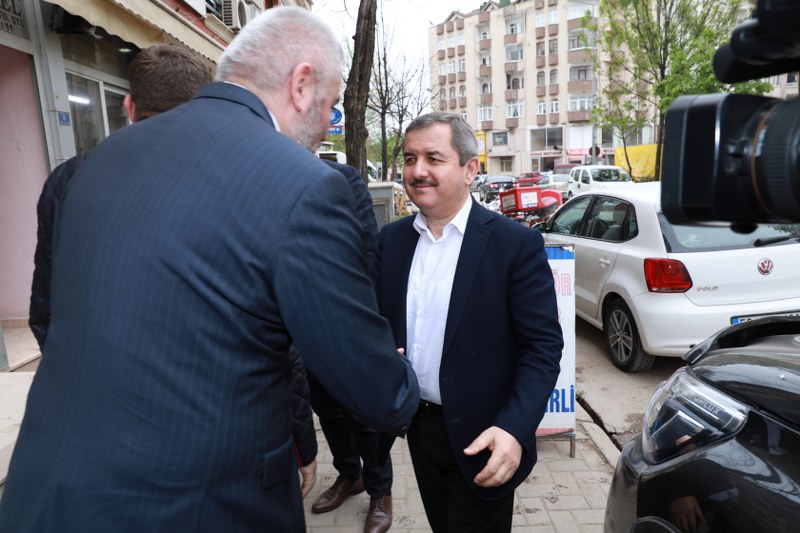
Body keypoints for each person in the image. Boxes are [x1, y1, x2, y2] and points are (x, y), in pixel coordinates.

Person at [0, 7, 418, 532]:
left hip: (47, 498)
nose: (327, 125)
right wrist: (402, 376)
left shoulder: (99, 159)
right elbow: (371, 387)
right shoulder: (304, 184)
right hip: (195, 508)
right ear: (301, 84)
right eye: (331, 105)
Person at [376, 112, 563, 532]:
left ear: (469, 169)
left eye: (433, 158)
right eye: (410, 158)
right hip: (419, 430)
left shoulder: (514, 244)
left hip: (487, 437)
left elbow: (542, 348)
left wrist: (514, 429)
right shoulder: (392, 240)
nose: (417, 171)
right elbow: (377, 323)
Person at [28, 43, 212, 351]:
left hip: (92, 360)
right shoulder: (232, 176)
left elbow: (47, 290)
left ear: (129, 106)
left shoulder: (69, 177)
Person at [307, 159, 394, 533]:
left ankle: (380, 490)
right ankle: (349, 474)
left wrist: (366, 319)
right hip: (304, 318)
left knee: (363, 412)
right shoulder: (271, 176)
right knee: (326, 407)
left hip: (347, 317)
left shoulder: (340, 178)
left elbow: (369, 247)